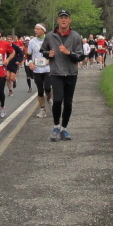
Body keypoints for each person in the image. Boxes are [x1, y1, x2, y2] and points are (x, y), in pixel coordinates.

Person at [39, 10, 85, 142]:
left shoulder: (75, 36)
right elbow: (43, 50)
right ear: (58, 20)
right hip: (56, 72)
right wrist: (48, 54)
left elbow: (80, 56)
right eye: (61, 18)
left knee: (68, 102)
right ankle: (56, 126)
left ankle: (64, 128)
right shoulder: (50, 36)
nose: (63, 20)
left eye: (66, 18)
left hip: (71, 73)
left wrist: (68, 52)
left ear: (70, 20)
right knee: (58, 100)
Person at [27, 24, 52, 118]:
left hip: (48, 68)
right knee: (40, 90)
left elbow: (54, 53)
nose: (35, 30)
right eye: (35, 28)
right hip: (37, 69)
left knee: (47, 88)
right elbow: (29, 55)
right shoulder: (32, 42)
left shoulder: (49, 40)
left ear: (43, 31)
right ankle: (42, 109)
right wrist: (30, 63)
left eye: (38, 29)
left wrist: (49, 60)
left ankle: (49, 98)